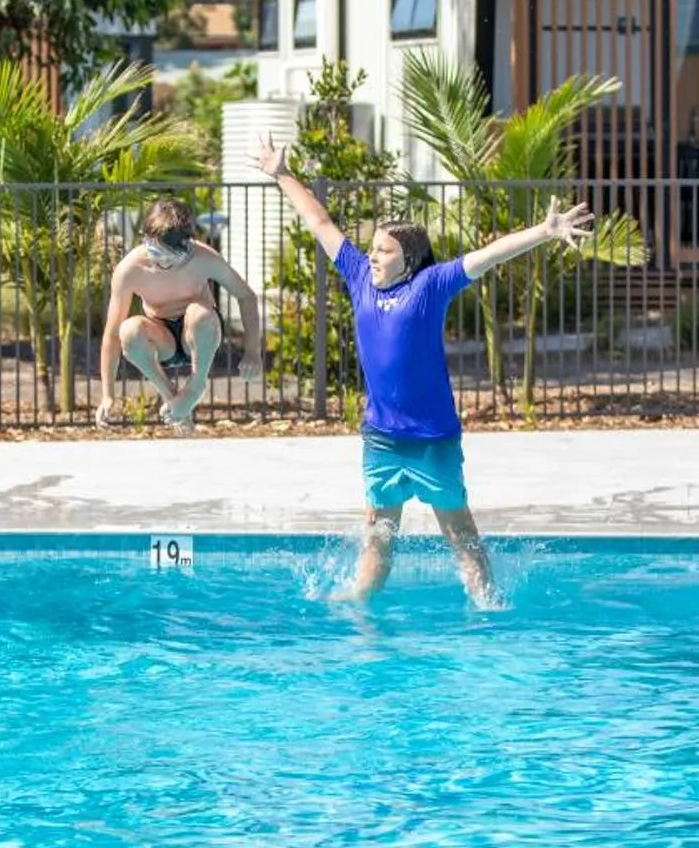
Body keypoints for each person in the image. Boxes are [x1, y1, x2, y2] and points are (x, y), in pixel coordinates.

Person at [252, 135, 596, 603]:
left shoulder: (431, 285)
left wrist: (544, 230)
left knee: (458, 531)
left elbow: (490, 254)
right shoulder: (359, 278)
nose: (372, 255)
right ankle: (362, 602)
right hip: (382, 438)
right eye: (372, 248)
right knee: (378, 532)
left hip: (432, 438)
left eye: (384, 251)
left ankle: (486, 604)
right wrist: (282, 173)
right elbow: (320, 221)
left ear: (408, 260)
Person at [96, 197, 262, 433]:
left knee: (197, 313)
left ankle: (195, 387)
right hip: (162, 340)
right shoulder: (129, 269)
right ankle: (172, 397)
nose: (164, 264)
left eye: (173, 257)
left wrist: (253, 351)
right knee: (128, 330)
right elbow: (112, 336)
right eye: (157, 253)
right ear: (146, 238)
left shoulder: (203, 258)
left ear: (187, 246)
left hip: (200, 336)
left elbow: (246, 296)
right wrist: (107, 394)